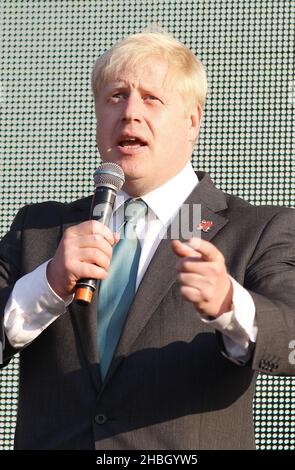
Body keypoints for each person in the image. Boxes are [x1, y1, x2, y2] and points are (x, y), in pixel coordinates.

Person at [0, 31, 294, 450]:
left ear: (192, 121)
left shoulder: (256, 230)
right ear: (98, 114)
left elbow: (291, 339)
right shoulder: (40, 230)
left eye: (151, 98)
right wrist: (46, 284)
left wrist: (231, 303)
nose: (130, 113)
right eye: (116, 96)